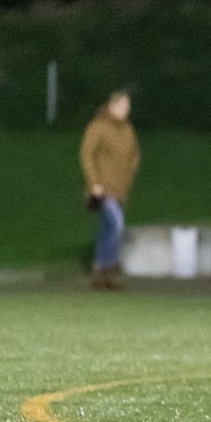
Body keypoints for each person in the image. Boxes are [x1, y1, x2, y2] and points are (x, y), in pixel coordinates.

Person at [80, 89, 140, 290]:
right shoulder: (98, 127)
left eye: (128, 106)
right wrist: (94, 183)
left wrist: (130, 174)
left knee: (106, 230)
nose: (126, 109)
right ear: (112, 106)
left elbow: (134, 155)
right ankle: (111, 266)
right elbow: (87, 155)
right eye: (123, 105)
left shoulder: (128, 130)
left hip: (120, 190)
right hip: (103, 190)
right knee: (116, 225)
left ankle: (100, 272)